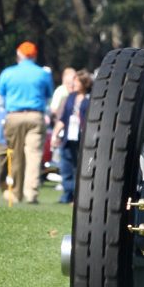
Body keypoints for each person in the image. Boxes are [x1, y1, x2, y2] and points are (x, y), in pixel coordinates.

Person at [0, 40, 52, 204]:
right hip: (35, 116)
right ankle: (31, 193)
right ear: (34, 56)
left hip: (14, 116)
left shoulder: (8, 72)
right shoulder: (42, 74)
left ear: (19, 55)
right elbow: (48, 97)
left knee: (15, 154)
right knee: (33, 154)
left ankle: (15, 193)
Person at [52, 70, 92, 203]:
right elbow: (63, 118)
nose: (73, 84)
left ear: (84, 83)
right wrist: (55, 134)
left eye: (76, 81)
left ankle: (79, 196)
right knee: (66, 167)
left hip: (82, 139)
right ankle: (67, 195)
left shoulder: (90, 98)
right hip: (68, 138)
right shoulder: (70, 97)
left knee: (80, 168)